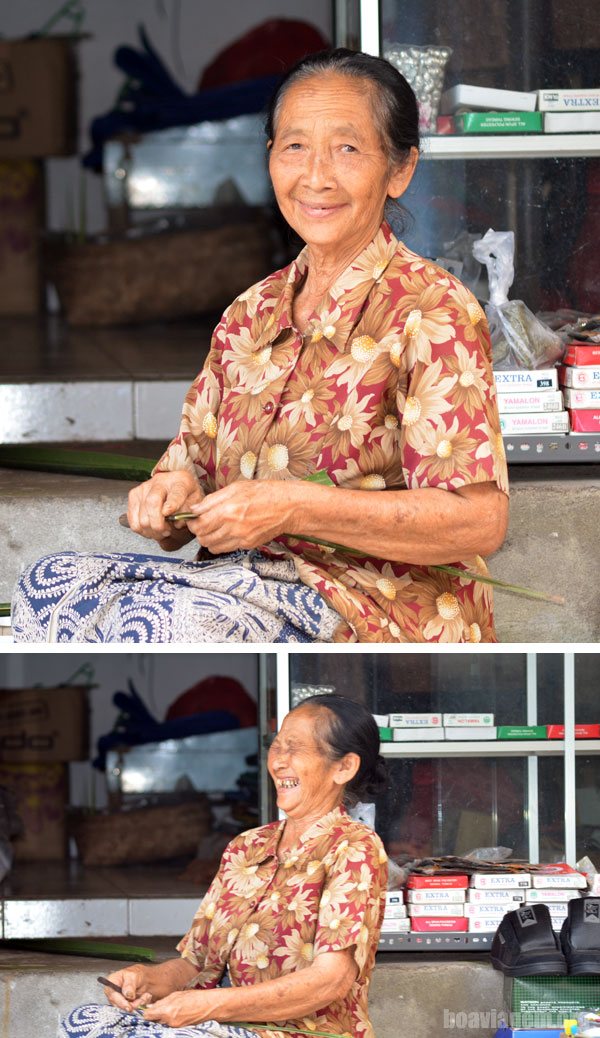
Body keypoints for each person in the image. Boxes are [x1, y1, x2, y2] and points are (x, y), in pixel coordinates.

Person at [13, 48, 508, 645]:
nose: (316, 176)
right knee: (45, 585)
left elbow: (479, 521)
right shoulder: (249, 314)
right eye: (294, 146)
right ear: (270, 158)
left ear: (399, 170)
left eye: (348, 149)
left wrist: (294, 509)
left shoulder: (432, 310)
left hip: (372, 602)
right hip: (244, 582)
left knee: (173, 623)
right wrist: (168, 499)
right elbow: (187, 467)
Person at [60, 695, 389, 1038]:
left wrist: (209, 1006)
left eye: (296, 748)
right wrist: (144, 979)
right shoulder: (246, 847)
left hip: (296, 1032)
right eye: (276, 747)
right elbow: (196, 965)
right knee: (84, 1021)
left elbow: (329, 981)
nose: (279, 762)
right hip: (216, 1025)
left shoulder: (353, 848)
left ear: (344, 767)